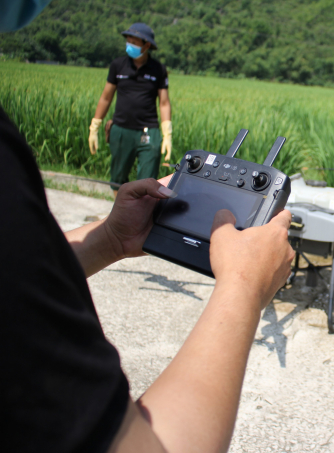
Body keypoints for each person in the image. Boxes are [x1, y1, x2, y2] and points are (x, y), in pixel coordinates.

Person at [0, 3, 295, 452]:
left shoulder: (156, 70)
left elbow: (17, 282)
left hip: (144, 134)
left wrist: (108, 239)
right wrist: (245, 287)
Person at [88, 22, 173, 198]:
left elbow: (164, 103)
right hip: (121, 130)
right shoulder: (118, 65)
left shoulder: (158, 69)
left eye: (134, 42)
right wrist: (95, 126)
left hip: (149, 131)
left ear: (146, 45)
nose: (130, 45)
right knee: (118, 178)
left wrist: (167, 134)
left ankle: (141, 218)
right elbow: (106, 97)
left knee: (148, 182)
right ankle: (121, 214)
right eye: (128, 41)